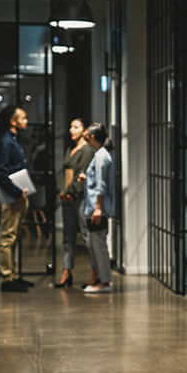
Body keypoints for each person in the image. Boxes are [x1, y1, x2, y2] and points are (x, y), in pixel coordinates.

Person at [0, 104, 33, 292]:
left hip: (17, 194)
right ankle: (7, 277)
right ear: (12, 121)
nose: (26, 121)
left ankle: (13, 275)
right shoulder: (6, 142)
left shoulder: (12, 141)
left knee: (14, 236)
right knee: (8, 237)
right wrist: (16, 191)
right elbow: (0, 172)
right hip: (11, 195)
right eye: (22, 118)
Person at [55, 118, 92, 288]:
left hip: (79, 197)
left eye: (76, 127)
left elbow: (81, 175)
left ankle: (95, 272)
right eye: (71, 126)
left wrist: (70, 192)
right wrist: (62, 191)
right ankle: (66, 271)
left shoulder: (87, 150)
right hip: (66, 197)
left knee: (86, 234)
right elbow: (63, 172)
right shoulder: (70, 149)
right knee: (67, 237)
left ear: (84, 131)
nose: (72, 130)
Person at [80, 125, 116, 294]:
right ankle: (102, 279)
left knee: (99, 245)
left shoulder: (101, 156)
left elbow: (101, 184)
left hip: (97, 207)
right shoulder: (100, 155)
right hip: (95, 206)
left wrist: (98, 208)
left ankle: (105, 281)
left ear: (92, 136)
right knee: (96, 244)